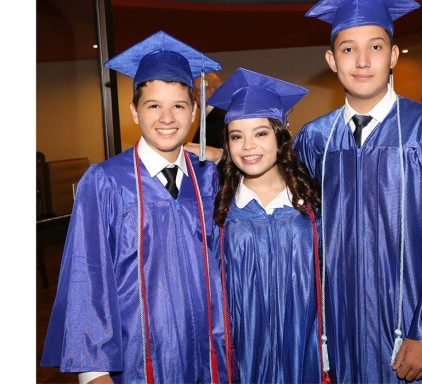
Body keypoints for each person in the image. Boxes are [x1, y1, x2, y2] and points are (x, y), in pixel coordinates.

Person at [293, 0, 422, 382]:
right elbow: (295, 227)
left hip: (413, 325)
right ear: (331, 60)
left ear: (395, 55)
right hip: (341, 326)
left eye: (376, 47)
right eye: (348, 49)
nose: (362, 61)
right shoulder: (316, 138)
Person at [40, 31, 229, 384]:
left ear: (194, 114)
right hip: (136, 359)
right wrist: (94, 372)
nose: (167, 117)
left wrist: (224, 156)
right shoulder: (105, 181)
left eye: (179, 105)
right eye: (153, 105)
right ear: (134, 112)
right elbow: (88, 275)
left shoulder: (211, 180)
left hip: (209, 355)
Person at [208, 68, 326, 383]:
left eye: (261, 133)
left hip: (306, 355)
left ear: (280, 135)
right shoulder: (220, 214)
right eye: (236, 136)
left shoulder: (312, 209)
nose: (248, 146)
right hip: (242, 360)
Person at [191, 72, 227, 148]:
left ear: (210, 91)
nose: (193, 95)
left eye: (196, 91)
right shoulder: (215, 115)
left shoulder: (220, 118)